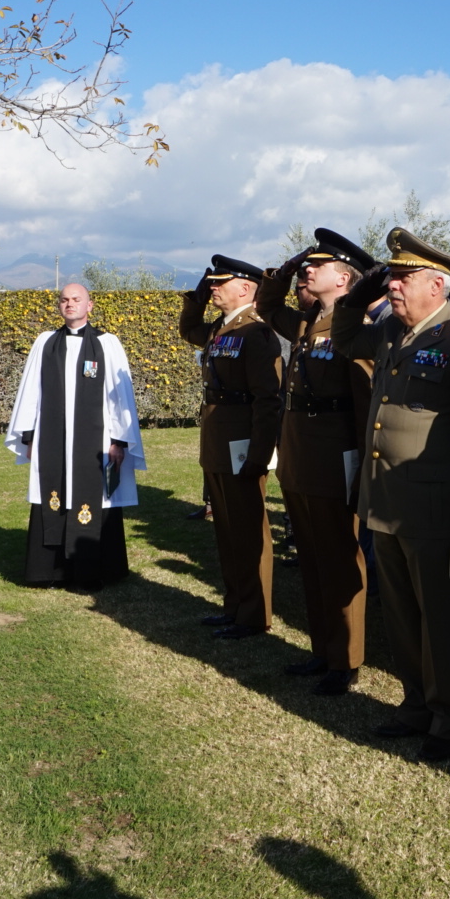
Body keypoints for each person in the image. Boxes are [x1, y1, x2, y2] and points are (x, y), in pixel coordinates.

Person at [332, 228, 450, 762]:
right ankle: (414, 703)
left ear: (438, 284)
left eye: (405, 278)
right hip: (386, 501)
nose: (396, 287)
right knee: (403, 615)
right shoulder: (389, 333)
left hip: (437, 508)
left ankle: (449, 716)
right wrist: (358, 295)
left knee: (442, 619)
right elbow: (344, 339)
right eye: (393, 277)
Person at [257, 229, 376, 694]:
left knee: (340, 558)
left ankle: (346, 659)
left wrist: (363, 466)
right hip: (301, 454)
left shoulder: (356, 328)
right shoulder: (308, 323)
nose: (309, 270)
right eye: (307, 265)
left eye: (317, 266)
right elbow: (267, 309)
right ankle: (322, 650)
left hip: (335, 455)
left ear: (344, 278)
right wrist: (284, 273)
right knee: (310, 556)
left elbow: (364, 402)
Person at [5, 283, 145, 589]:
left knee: (95, 497)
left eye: (76, 300)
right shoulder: (46, 343)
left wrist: (119, 441)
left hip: (96, 441)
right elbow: (30, 392)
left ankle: (94, 571)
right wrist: (28, 437)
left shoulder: (107, 344)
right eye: (65, 300)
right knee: (52, 495)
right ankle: (50, 572)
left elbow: (120, 397)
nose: (70, 304)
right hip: (52, 438)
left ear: (89, 305)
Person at [179, 255, 284, 639]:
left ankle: (254, 615)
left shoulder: (256, 333)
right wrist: (198, 296)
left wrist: (259, 455)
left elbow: (267, 400)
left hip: (243, 446)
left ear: (246, 287)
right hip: (219, 443)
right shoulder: (222, 329)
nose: (214, 288)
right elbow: (189, 327)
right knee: (227, 530)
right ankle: (235, 606)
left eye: (220, 283)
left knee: (249, 532)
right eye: (212, 283)